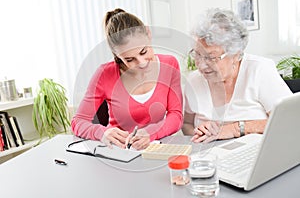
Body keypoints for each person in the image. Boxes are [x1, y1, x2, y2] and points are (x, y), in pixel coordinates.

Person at [71, 8, 183, 150]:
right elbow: (78, 122)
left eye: (144, 51)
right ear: (117, 55)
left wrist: (151, 133)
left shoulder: (170, 64)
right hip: (120, 153)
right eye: (129, 59)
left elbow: (176, 116)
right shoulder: (104, 74)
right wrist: (103, 132)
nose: (142, 62)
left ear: (148, 34)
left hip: (157, 149)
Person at [182, 8, 292, 143]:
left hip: (256, 154)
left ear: (236, 54)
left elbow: (290, 119)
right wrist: (199, 132)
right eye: (197, 54)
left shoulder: (259, 70)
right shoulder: (193, 80)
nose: (201, 65)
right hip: (209, 156)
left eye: (211, 58)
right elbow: (186, 124)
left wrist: (234, 129)